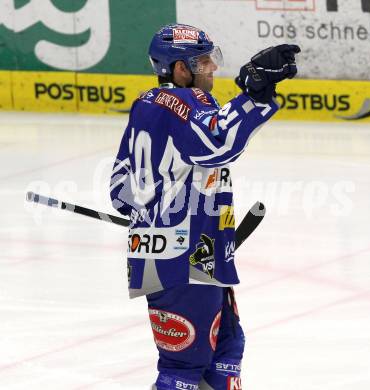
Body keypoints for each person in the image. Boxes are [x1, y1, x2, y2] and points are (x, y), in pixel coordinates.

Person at [110, 24, 300, 390]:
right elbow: (217, 141)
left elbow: (120, 189)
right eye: (202, 61)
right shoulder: (185, 102)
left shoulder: (145, 105)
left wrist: (152, 219)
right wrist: (255, 93)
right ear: (179, 69)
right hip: (185, 257)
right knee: (184, 365)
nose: (211, 67)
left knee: (226, 349)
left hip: (188, 253)